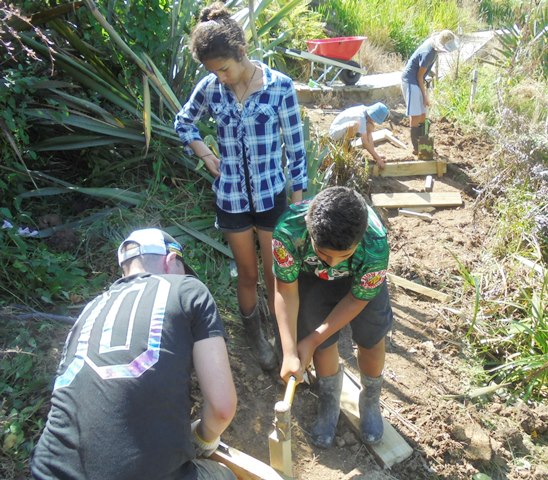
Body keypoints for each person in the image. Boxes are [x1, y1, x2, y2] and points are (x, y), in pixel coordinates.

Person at [31, 228, 238, 480]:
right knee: (224, 475)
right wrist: (203, 437)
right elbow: (222, 408)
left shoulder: (90, 309)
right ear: (171, 260)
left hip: (48, 469)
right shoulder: (188, 289)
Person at [174, 2, 308, 371]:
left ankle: (283, 338)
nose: (221, 77)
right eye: (213, 72)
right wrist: (204, 152)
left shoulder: (279, 87)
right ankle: (255, 336)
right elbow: (183, 121)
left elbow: (296, 150)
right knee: (248, 275)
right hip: (231, 198)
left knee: (275, 274)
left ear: (240, 51)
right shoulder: (211, 88)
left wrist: (298, 204)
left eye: (224, 69)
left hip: (271, 197)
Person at [272, 187, 393, 448]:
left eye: (344, 256)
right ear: (309, 230)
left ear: (359, 240)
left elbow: (357, 299)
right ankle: (329, 402)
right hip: (312, 277)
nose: (333, 264)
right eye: (324, 254)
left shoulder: (375, 243)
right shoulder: (288, 231)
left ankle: (370, 400)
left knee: (371, 338)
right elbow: (286, 291)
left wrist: (312, 340)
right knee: (322, 343)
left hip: (361, 283)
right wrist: (290, 351)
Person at [401, 30, 459, 154]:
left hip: (418, 80)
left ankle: (423, 144)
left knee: (423, 115)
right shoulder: (428, 53)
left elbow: (422, 69)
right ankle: (417, 148)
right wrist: (425, 96)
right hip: (411, 81)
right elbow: (419, 76)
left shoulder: (433, 49)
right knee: (416, 115)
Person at [328, 102, 390, 169]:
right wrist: (378, 159)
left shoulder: (366, 112)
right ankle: (346, 152)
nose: (374, 121)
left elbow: (369, 136)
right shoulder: (361, 117)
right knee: (354, 125)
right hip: (335, 134)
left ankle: (348, 147)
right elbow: (365, 143)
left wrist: (376, 156)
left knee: (370, 126)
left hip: (343, 132)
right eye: (374, 119)